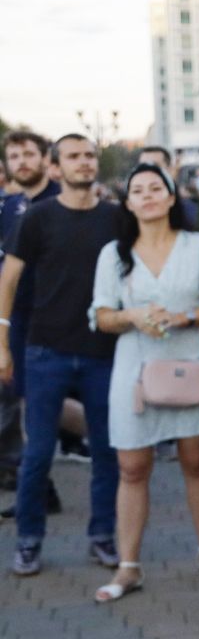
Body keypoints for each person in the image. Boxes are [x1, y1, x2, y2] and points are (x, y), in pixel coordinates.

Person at [87, 164, 199, 601]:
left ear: (172, 197)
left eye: (157, 188)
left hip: (187, 364)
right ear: (128, 202)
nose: (148, 195)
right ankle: (128, 566)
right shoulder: (114, 254)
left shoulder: (198, 245)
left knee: (197, 461)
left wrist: (182, 317)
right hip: (134, 371)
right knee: (132, 468)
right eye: (138, 190)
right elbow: (101, 316)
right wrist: (133, 315)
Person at [0, 134, 123, 575]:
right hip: (45, 351)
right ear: (56, 167)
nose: (83, 162)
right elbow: (8, 280)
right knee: (37, 455)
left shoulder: (115, 217)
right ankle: (29, 541)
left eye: (89, 155)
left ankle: (102, 536)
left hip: (103, 352)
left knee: (107, 451)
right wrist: (3, 344)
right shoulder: (37, 217)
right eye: (73, 156)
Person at [0, 132, 61, 495]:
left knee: (56, 399)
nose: (21, 161)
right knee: (24, 399)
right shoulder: (9, 207)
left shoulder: (62, 200)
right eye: (14, 156)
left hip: (60, 316)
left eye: (28, 154)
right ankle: (38, 487)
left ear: (45, 159)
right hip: (19, 319)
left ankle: (116, 438)